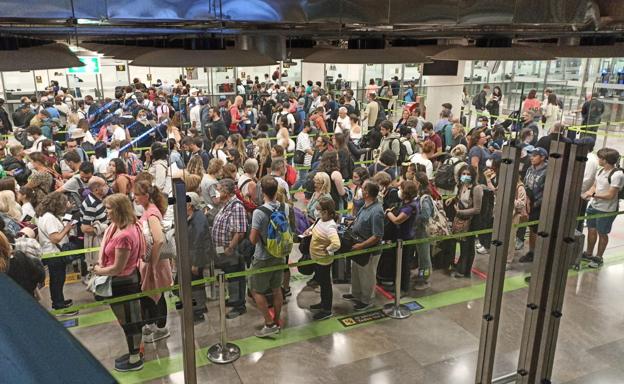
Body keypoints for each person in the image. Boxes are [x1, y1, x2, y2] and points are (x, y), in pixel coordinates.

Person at [92, 193, 145, 372]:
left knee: (129, 321)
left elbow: (116, 268)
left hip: (122, 281)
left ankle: (135, 357)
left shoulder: (124, 235)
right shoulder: (127, 226)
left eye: (108, 208)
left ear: (119, 210)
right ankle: (134, 352)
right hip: (126, 279)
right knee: (130, 319)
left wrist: (98, 271)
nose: (106, 212)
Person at [134, 180, 173, 344]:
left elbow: (158, 240)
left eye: (136, 194)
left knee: (155, 294)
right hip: (150, 260)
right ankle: (152, 324)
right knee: (150, 294)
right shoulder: (148, 211)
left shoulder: (151, 213)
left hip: (153, 262)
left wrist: (153, 263)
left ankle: (160, 326)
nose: (134, 198)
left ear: (146, 196)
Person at [249, 176, 286, 337]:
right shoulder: (285, 207)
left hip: (262, 256)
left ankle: (268, 323)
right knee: (276, 289)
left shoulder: (259, 212)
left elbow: (253, 239)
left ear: (262, 191)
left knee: (257, 290)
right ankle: (277, 320)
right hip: (279, 254)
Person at [343, 180, 384, 311]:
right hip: (358, 245)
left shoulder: (377, 211)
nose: (361, 189)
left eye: (363, 188)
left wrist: (361, 246)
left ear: (367, 193)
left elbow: (377, 235)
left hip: (368, 250)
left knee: (367, 276)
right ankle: (356, 293)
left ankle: (367, 300)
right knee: (356, 272)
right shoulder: (365, 205)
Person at [212, 178, 248, 319]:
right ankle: (233, 299)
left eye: (219, 189)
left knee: (235, 278)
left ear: (226, 191)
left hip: (232, 252)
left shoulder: (236, 206)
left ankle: (239, 305)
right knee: (230, 277)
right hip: (224, 250)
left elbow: (239, 232)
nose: (217, 192)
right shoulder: (226, 204)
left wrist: (230, 248)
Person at [582, 148, 623, 268]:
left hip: (606, 210)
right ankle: (589, 253)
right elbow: (595, 186)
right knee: (591, 230)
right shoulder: (600, 171)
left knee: (602, 233)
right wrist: (587, 193)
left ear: (605, 160)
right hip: (594, 206)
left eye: (600, 158)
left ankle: (598, 257)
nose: (598, 159)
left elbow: (611, 195)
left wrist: (593, 195)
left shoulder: (617, 175)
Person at [36, 192, 77, 313]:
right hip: (54, 254)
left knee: (58, 279)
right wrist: (67, 228)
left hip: (53, 253)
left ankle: (59, 300)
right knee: (57, 280)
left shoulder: (47, 216)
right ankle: (58, 304)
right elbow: (55, 238)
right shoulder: (49, 218)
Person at [306, 196, 340, 320]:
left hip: (323, 262)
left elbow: (336, 244)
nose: (316, 211)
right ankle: (323, 303)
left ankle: (327, 310)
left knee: (325, 286)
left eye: (318, 209)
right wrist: (309, 231)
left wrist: (328, 250)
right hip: (317, 259)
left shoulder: (330, 227)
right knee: (322, 283)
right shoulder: (321, 220)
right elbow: (315, 227)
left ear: (325, 212)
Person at [384, 180, 420, 292]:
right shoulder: (407, 203)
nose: (399, 191)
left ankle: (403, 288)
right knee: (398, 263)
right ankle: (397, 284)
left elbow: (397, 220)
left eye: (401, 189)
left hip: (406, 238)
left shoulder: (409, 207)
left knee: (404, 264)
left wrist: (388, 213)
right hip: (401, 236)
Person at [448, 165, 483, 278]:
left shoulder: (477, 188)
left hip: (471, 222)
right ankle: (460, 267)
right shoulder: (461, 185)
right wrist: (453, 199)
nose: (465, 176)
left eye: (468, 174)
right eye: (464, 174)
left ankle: (464, 270)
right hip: (461, 218)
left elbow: (477, 209)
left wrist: (460, 212)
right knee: (462, 245)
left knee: (467, 246)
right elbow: (461, 198)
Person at [519, 147, 548, 263]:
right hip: (528, 203)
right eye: (531, 155)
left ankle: (536, 253)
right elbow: (525, 184)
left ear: (542, 157)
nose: (532, 158)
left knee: (536, 230)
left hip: (539, 206)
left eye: (535, 155)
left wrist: (535, 203)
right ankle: (532, 252)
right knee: (531, 229)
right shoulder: (530, 169)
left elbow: (547, 191)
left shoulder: (547, 171)